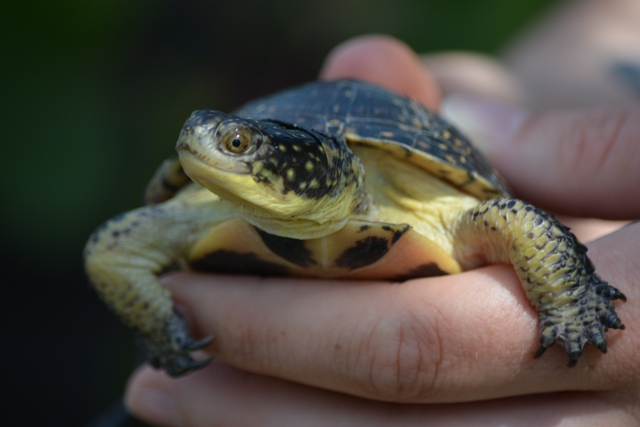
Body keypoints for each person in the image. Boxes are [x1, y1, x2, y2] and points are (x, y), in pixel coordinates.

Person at [123, 31, 640, 427]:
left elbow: (515, 219)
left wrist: (570, 303)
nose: (203, 142)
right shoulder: (200, 205)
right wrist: (159, 325)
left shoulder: (430, 199)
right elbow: (116, 255)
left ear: (309, 166)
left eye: (237, 144)